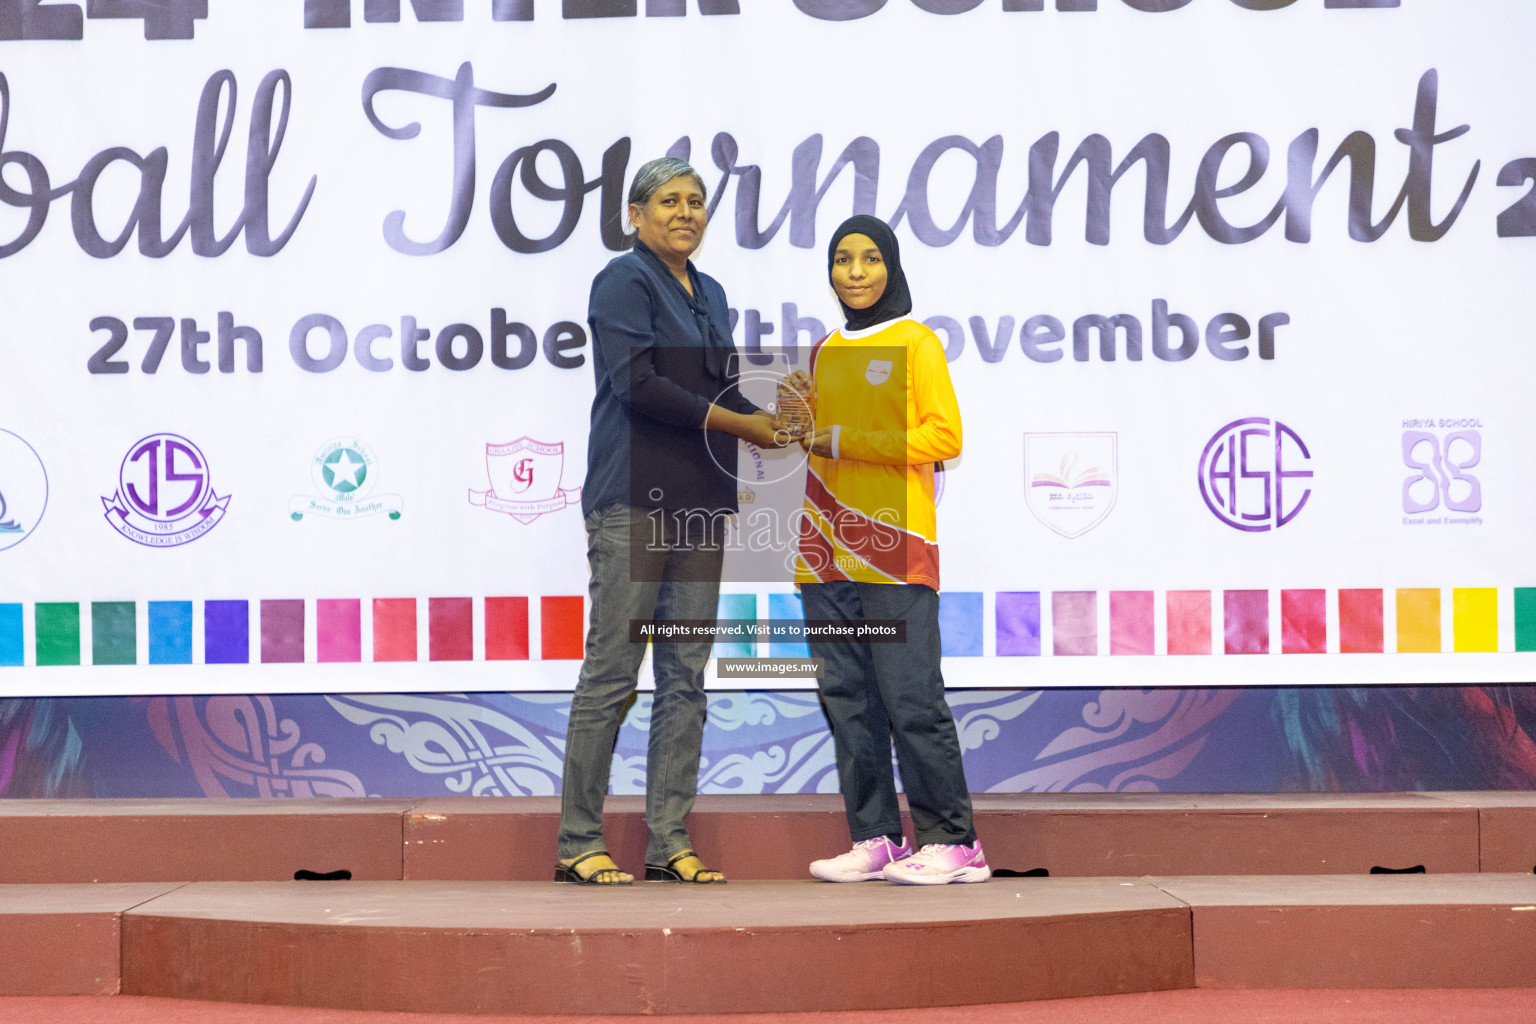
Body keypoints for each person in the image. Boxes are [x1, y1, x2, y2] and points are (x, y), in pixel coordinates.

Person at [555, 158, 788, 886]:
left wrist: (778, 416)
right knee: (613, 675)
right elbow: (637, 383)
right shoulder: (623, 279)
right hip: (632, 503)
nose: (684, 212)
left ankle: (668, 843)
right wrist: (739, 423)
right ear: (635, 214)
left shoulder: (711, 291)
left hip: (698, 506)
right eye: (668, 201)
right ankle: (578, 844)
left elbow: (717, 388)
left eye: (695, 202)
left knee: (686, 678)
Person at [793, 215, 989, 885]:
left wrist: (848, 439)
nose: (854, 271)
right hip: (823, 550)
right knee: (847, 699)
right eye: (842, 259)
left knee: (910, 698)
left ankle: (954, 842)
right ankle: (875, 836)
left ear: (891, 266)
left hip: (897, 550)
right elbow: (815, 441)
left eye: (869, 258)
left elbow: (945, 437)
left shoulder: (916, 343)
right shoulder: (821, 351)